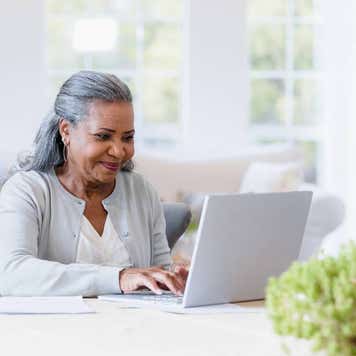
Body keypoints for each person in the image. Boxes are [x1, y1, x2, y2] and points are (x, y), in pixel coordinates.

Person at [0, 71, 188, 297]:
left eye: (127, 138)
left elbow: (158, 272)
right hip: (54, 331)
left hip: (136, 328)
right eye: (103, 136)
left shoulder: (141, 190)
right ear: (66, 131)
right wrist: (119, 278)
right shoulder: (27, 190)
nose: (119, 151)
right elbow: (11, 274)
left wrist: (174, 282)